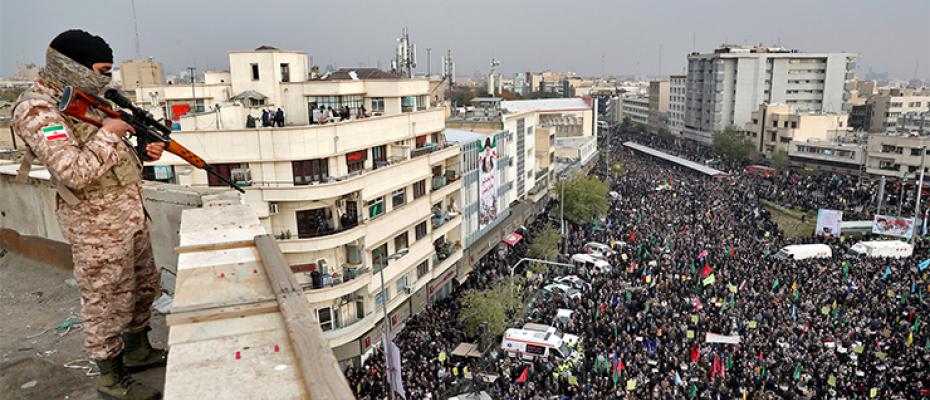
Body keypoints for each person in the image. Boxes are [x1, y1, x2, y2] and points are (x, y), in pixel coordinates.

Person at [11, 30, 167, 400]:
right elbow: (73, 171)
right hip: (95, 224)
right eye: (101, 70)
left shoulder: (85, 97)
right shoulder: (38, 109)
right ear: (73, 66)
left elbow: (105, 157)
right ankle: (110, 378)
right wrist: (111, 135)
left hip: (128, 212)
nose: (105, 79)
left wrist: (142, 155)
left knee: (142, 286)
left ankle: (138, 351)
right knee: (105, 299)